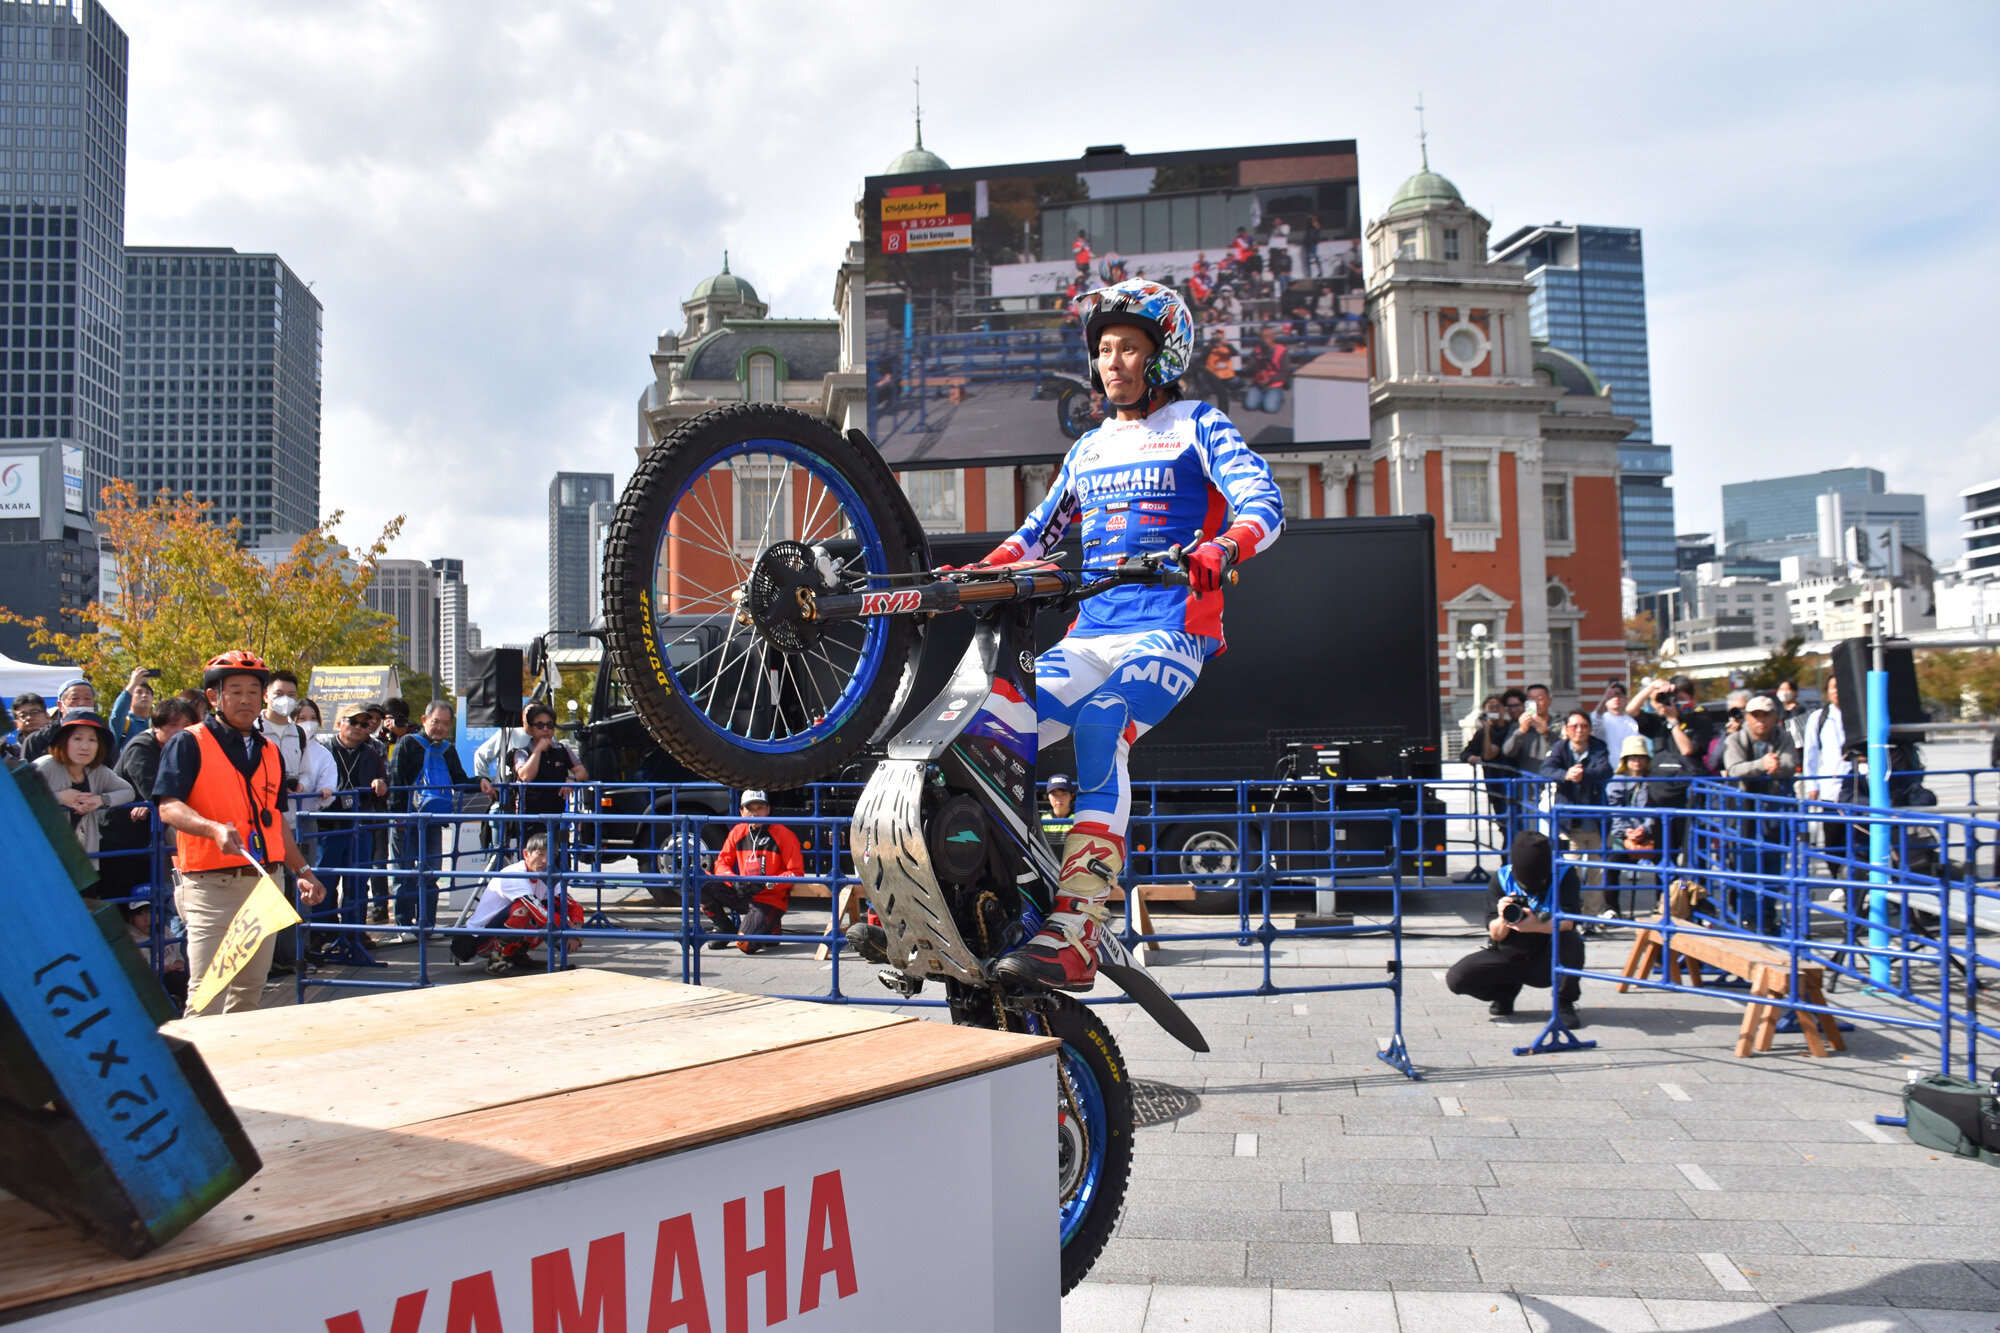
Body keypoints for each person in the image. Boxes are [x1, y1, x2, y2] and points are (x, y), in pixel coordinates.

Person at [958, 278, 1283, 990]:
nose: (1112, 363)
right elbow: (1036, 533)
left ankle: (1079, 928)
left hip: (1170, 631)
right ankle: (972, 902)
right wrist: (978, 571)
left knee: (1104, 724)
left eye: (1128, 348)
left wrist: (1223, 548)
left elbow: (1265, 501)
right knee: (983, 732)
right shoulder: (1089, 447)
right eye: (1104, 350)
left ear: (1163, 354)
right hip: (1092, 630)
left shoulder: (1200, 422)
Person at [153, 651, 327, 1016]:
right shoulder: (189, 742)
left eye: (253, 690)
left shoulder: (270, 751)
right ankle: (200, 1071)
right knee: (206, 995)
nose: (245, 699)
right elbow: (168, 806)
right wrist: (212, 828)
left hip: (265, 881)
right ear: (215, 697)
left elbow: (275, 820)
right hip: (212, 886)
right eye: (235, 691)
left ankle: (236, 1073)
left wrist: (303, 872)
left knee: (250, 991)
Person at [1444, 831, 1585, 1029]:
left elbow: (1569, 921)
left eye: (1540, 883)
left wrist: (1536, 925)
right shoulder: (1502, 878)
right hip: (1508, 953)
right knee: (1457, 979)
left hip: (1546, 957)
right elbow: (1495, 933)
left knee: (1572, 941)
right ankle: (1505, 992)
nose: (1533, 888)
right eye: (1526, 885)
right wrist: (1504, 917)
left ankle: (1564, 1003)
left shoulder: (1564, 874)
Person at [388, 701, 492, 942]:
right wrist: (397, 816)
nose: (441, 728)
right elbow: (395, 780)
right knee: (404, 872)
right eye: (436, 721)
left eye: (446, 723)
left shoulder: (448, 749)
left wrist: (480, 781)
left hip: (433, 820)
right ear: (424, 720)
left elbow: (460, 779)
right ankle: (404, 926)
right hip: (407, 818)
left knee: (430, 871)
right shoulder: (407, 744)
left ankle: (427, 924)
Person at [313, 703, 391, 946]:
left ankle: (355, 930)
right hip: (329, 825)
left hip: (359, 825)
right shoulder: (323, 749)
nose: (358, 727)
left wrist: (381, 782)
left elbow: (386, 783)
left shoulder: (372, 753)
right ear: (339, 723)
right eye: (353, 722)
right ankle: (321, 932)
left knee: (357, 882)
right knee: (325, 880)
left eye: (364, 724)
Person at [1722, 694, 1799, 934]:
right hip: (1744, 812)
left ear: (1775, 716)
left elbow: (1790, 763)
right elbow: (1734, 769)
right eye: (1756, 716)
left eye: (1766, 715)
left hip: (1774, 809)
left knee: (1773, 865)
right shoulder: (1736, 739)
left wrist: (1775, 767)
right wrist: (1762, 765)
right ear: (1747, 718)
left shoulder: (1783, 736)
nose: (1761, 721)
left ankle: (1768, 916)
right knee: (1746, 865)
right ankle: (1748, 917)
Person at [456, 832, 580, 974]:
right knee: (527, 909)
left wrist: (576, 927)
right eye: (540, 855)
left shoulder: (546, 874)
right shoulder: (515, 873)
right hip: (480, 938)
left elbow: (569, 903)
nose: (545, 861)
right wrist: (565, 933)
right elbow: (537, 911)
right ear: (526, 854)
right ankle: (497, 962)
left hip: (498, 929)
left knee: (547, 907)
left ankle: (515, 955)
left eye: (550, 856)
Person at [704, 789, 806, 955]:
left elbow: (796, 873)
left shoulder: (784, 835)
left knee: (745, 945)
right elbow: (721, 863)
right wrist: (733, 880)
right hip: (742, 893)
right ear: (741, 812)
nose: (754, 813)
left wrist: (767, 884)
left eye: (759, 808)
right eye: (750, 809)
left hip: (769, 899)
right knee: (701, 880)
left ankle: (772, 925)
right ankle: (723, 927)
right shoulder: (737, 832)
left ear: (767, 810)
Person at [30, 709, 136, 865]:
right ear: (63, 741)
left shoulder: (98, 771)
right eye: (77, 739)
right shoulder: (44, 766)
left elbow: (128, 792)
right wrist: (59, 798)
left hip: (84, 862)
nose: (85, 746)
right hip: (44, 860)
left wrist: (101, 800)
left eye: (92, 740)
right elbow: (17, 799)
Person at [1539, 711, 1613, 918]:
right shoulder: (1560, 748)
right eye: (1574, 726)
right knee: (1571, 871)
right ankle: (1572, 916)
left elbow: (1606, 770)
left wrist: (1584, 775)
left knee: (1597, 872)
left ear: (1590, 729)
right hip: (1568, 824)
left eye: (1584, 726)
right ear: (1567, 730)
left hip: (1595, 822)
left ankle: (1590, 916)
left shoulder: (1598, 747)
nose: (1579, 730)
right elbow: (1545, 770)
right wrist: (1566, 775)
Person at [1603, 735, 1664, 918]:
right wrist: (1626, 832)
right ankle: (1611, 908)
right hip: (1624, 837)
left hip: (1649, 835)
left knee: (1665, 864)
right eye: (1633, 757)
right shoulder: (1616, 781)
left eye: (1641, 757)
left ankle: (1661, 905)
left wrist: (1644, 829)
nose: (1637, 761)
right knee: (1609, 865)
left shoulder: (1653, 781)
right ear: (1625, 760)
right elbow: (1615, 810)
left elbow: (1655, 809)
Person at [511, 701, 587, 839]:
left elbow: (583, 772)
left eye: (550, 725)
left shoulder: (562, 750)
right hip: (531, 818)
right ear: (531, 729)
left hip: (557, 817)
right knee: (536, 856)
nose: (545, 729)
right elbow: (525, 776)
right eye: (540, 726)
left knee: (560, 856)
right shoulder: (522, 752)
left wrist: (572, 780)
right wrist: (539, 749)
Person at [113, 695, 200, 799]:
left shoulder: (190, 748)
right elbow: (155, 794)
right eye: (173, 725)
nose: (181, 731)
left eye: (187, 725)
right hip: (125, 813)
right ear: (156, 728)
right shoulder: (140, 748)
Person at [19, 677, 100, 763]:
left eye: (87, 698)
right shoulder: (38, 740)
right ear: (60, 705)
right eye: (74, 699)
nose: (81, 703)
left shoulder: (103, 735)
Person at [105, 666, 156, 752]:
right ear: (130, 698)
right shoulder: (125, 723)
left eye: (148, 693)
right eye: (139, 692)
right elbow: (117, 714)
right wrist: (133, 684)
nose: (144, 695)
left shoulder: (157, 725)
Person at [1241, 326, 1289, 414]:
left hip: (1274, 383)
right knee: (1250, 406)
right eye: (1263, 337)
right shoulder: (1257, 350)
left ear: (1273, 337)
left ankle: (1278, 396)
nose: (1266, 339)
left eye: (1268, 336)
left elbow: (1285, 372)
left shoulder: (1282, 350)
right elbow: (1249, 367)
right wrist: (1255, 361)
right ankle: (1264, 396)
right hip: (1259, 382)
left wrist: (1270, 379)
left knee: (1270, 408)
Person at [1592, 680, 1637, 755]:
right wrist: (1605, 698)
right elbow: (1595, 719)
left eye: (1619, 695)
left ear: (1626, 699)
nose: (1616, 699)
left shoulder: (1633, 722)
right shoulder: (1602, 719)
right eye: (1611, 696)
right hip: (1606, 764)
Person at [1042, 773, 1077, 858]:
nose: (1059, 799)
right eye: (1054, 794)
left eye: (1064, 794)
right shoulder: (1042, 819)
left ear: (1071, 796)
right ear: (1048, 796)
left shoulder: (1078, 819)